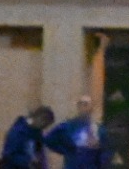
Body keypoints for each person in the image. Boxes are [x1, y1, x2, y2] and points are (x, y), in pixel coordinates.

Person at [45, 36, 109, 169]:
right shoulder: (68, 126)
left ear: (91, 107)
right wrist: (66, 150)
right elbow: (49, 139)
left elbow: (105, 150)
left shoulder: (99, 129)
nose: (83, 107)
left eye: (86, 104)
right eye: (81, 104)